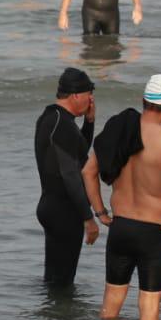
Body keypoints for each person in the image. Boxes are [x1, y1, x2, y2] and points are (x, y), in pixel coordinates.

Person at [81, 74, 161, 320]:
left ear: (144, 100)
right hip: (154, 232)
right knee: (149, 311)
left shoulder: (121, 132)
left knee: (110, 306)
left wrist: (100, 213)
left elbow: (88, 172)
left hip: (120, 228)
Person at [33, 67, 98, 287]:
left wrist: (89, 123)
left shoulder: (51, 117)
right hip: (64, 212)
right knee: (63, 282)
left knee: (53, 279)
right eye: (89, 95)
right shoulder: (63, 125)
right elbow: (71, 175)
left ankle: (50, 318)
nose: (91, 100)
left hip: (50, 206)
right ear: (76, 95)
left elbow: (77, 154)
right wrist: (88, 218)